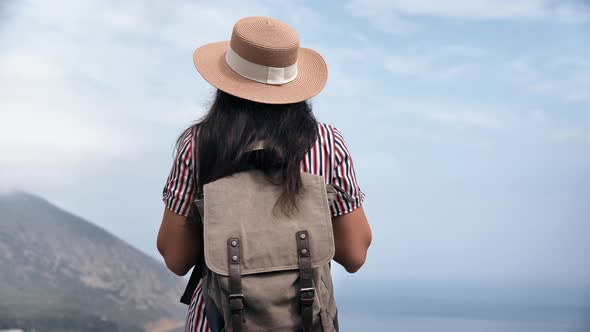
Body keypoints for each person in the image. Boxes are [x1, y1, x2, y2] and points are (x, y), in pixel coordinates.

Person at [156, 16, 372, 332]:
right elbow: (355, 254)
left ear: (226, 81)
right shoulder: (327, 144)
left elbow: (175, 257)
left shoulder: (198, 144)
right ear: (295, 83)